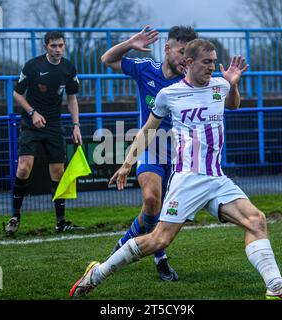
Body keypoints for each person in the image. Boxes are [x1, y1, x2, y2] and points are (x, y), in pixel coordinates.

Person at [69, 39, 282, 300]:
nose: (212, 67)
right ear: (189, 63)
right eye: (206, 62)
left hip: (216, 178)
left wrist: (233, 84)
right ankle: (96, 274)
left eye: (213, 61)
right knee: (158, 240)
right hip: (187, 179)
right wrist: (126, 164)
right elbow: (147, 131)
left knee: (256, 220)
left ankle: (276, 286)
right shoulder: (170, 94)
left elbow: (233, 105)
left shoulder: (219, 86)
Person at [100, 25, 198, 281]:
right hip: (151, 148)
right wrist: (130, 43)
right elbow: (107, 59)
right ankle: (152, 257)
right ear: (167, 49)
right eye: (182, 52)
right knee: (152, 201)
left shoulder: (191, 82)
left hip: (180, 155)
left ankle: (145, 251)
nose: (186, 60)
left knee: (165, 212)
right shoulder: (145, 69)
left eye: (190, 55)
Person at [4, 31, 84, 236]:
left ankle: (60, 222)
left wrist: (76, 125)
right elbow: (16, 94)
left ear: (64, 46)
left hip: (54, 125)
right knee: (24, 168)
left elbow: (72, 98)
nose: (57, 49)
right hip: (31, 123)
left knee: (58, 172)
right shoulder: (32, 66)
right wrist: (32, 113)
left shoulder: (68, 68)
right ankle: (15, 217)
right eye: (53, 46)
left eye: (60, 46)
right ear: (45, 47)